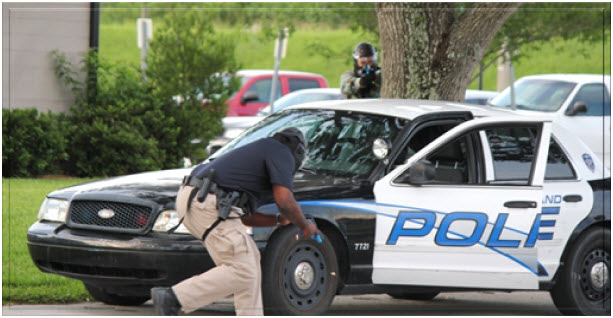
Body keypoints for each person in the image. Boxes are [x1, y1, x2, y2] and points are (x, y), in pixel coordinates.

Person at [151, 127, 319, 316]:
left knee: (251, 262)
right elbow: (285, 200)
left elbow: (245, 216)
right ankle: (175, 297)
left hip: (196, 199)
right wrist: (305, 226)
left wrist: (278, 220)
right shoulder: (282, 152)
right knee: (243, 270)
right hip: (208, 201)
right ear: (298, 153)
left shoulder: (259, 154)